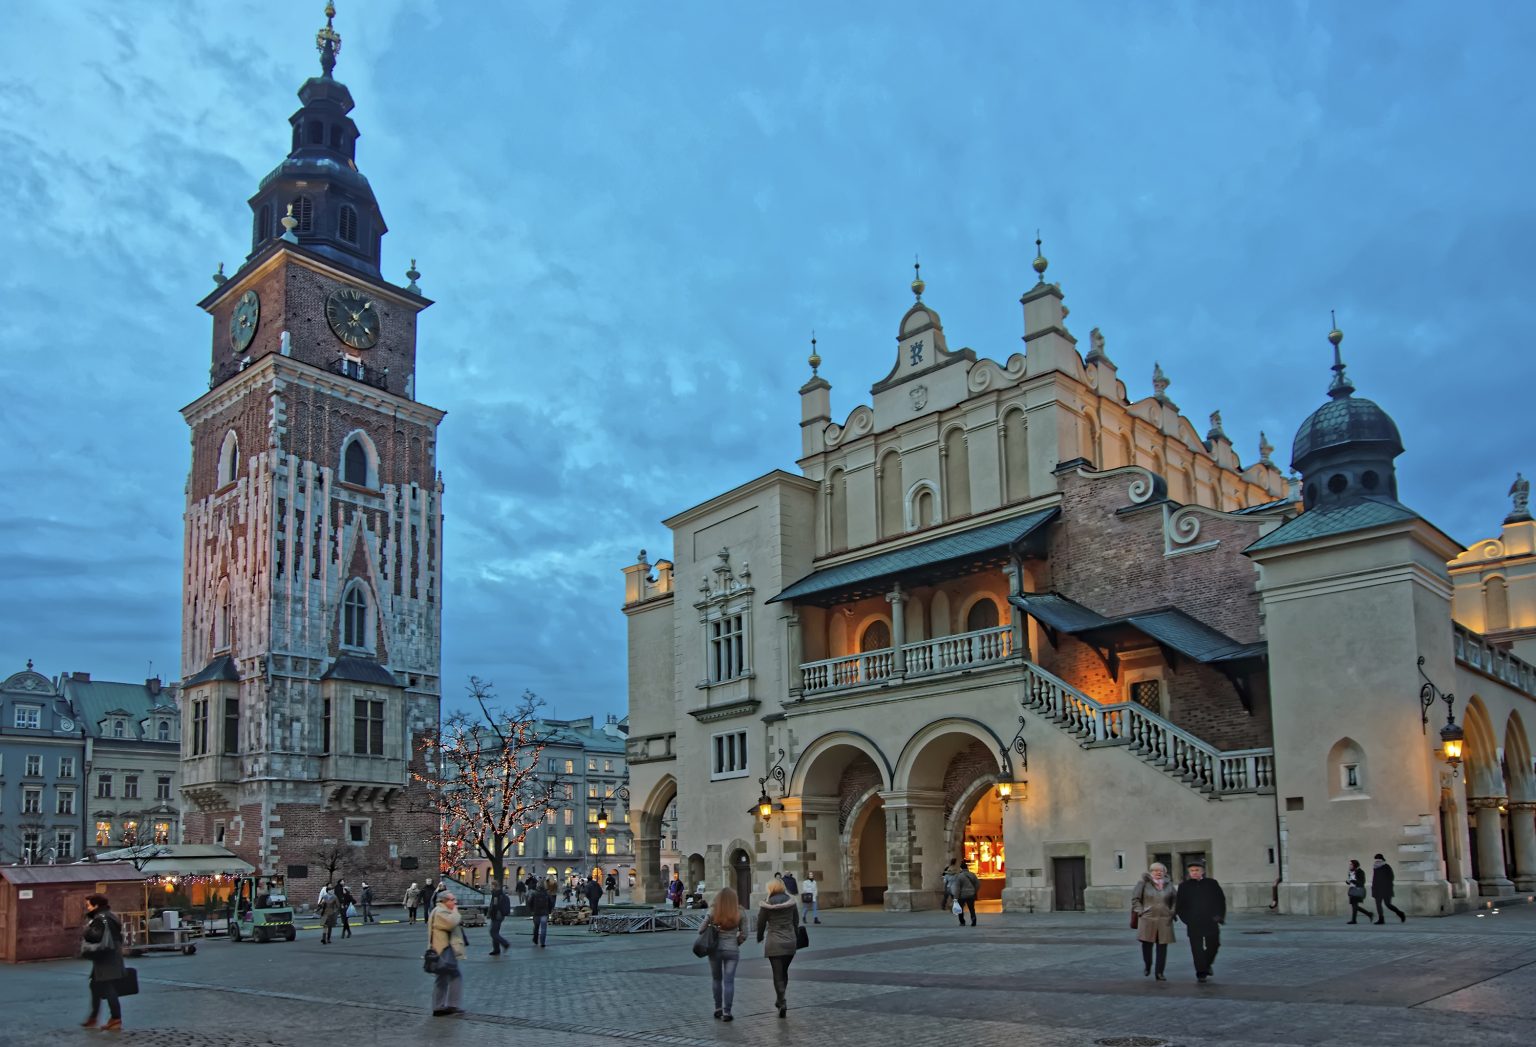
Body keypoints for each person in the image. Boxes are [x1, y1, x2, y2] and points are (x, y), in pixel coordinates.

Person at [756, 875, 800, 1019]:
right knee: (784, 971)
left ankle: (781, 1001)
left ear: (771, 888)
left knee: (777, 973)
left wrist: (759, 937)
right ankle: (781, 998)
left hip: (774, 942)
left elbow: (761, 923)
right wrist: (795, 936)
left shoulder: (766, 904)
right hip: (789, 941)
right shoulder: (791, 902)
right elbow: (796, 921)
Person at [80, 893, 126, 1031]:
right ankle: (94, 1017)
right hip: (111, 954)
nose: (87, 908)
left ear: (96, 905)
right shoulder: (111, 916)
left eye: (89, 905)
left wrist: (86, 931)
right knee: (95, 985)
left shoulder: (101, 918)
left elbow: (95, 936)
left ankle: (116, 1018)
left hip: (105, 956)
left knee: (107, 986)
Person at [1174, 859, 1226, 983]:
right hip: (1194, 922)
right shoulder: (1184, 886)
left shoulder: (1212, 883)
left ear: (1202, 871)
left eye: (1197, 870)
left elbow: (1220, 900)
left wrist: (1219, 916)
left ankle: (1207, 964)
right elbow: (1180, 905)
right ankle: (1201, 972)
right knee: (1196, 949)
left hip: (1211, 921)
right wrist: (1187, 919)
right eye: (1192, 870)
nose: (1194, 872)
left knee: (1214, 945)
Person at [705, 886, 749, 1022]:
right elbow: (744, 934)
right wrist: (736, 943)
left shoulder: (713, 910)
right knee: (729, 981)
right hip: (732, 950)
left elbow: (701, 929)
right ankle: (727, 1012)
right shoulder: (740, 911)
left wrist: (710, 926)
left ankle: (718, 1008)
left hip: (715, 950)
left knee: (716, 979)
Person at [1131, 861, 1177, 980]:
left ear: (1165, 872)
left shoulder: (1169, 885)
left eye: (1161, 871)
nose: (1158, 873)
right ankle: (1148, 964)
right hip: (1148, 918)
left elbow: (1175, 900)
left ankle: (1159, 972)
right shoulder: (1143, 884)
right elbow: (1135, 899)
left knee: (1162, 947)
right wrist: (1140, 911)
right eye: (1155, 870)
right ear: (1151, 872)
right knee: (1147, 944)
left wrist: (1172, 911)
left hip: (1164, 919)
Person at [428, 891, 468, 1016]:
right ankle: (450, 1005)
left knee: (442, 978)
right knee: (454, 976)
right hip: (443, 951)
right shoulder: (440, 911)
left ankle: (439, 1007)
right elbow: (451, 923)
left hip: (442, 950)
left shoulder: (440, 910)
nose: (455, 902)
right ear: (444, 901)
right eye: (452, 900)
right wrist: (455, 911)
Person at [1371, 853, 1407, 924]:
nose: (1377, 862)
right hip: (1377, 889)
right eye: (1376, 860)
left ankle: (1400, 913)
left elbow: (1391, 877)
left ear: (1382, 860)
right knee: (1378, 904)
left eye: (1378, 860)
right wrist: (1373, 887)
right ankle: (1381, 919)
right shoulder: (1375, 868)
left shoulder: (1386, 866)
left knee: (1388, 904)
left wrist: (1385, 884)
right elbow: (1374, 878)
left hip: (1386, 889)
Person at [528, 877, 554, 947]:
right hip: (544, 913)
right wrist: (549, 911)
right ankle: (542, 942)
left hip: (536, 913)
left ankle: (535, 939)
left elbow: (530, 902)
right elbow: (551, 903)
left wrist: (532, 910)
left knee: (536, 926)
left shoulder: (534, 893)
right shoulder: (547, 894)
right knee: (543, 928)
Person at [1346, 859, 1373, 924]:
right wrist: (1348, 882)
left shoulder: (1360, 871)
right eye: (1350, 864)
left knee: (1355, 906)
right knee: (1354, 906)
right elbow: (1350, 881)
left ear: (1355, 865)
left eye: (1351, 864)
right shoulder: (1351, 872)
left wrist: (1353, 881)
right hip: (1352, 890)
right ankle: (1368, 914)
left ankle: (1354, 920)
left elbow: (1362, 882)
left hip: (1358, 890)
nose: (1350, 865)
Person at [953, 859, 979, 927]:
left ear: (961, 868)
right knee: (971, 908)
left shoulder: (959, 876)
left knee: (960, 909)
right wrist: (974, 891)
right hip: (971, 894)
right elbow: (977, 884)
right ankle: (973, 919)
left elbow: (957, 888)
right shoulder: (972, 875)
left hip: (962, 895)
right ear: (967, 868)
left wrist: (956, 897)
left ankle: (962, 922)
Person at [488, 882, 512, 955]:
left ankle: (505, 943)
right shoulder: (499, 893)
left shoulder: (496, 894)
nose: (490, 887)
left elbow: (495, 905)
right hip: (499, 915)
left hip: (497, 916)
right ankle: (496, 949)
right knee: (495, 932)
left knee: (493, 932)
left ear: (494, 886)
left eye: (491, 886)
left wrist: (490, 913)